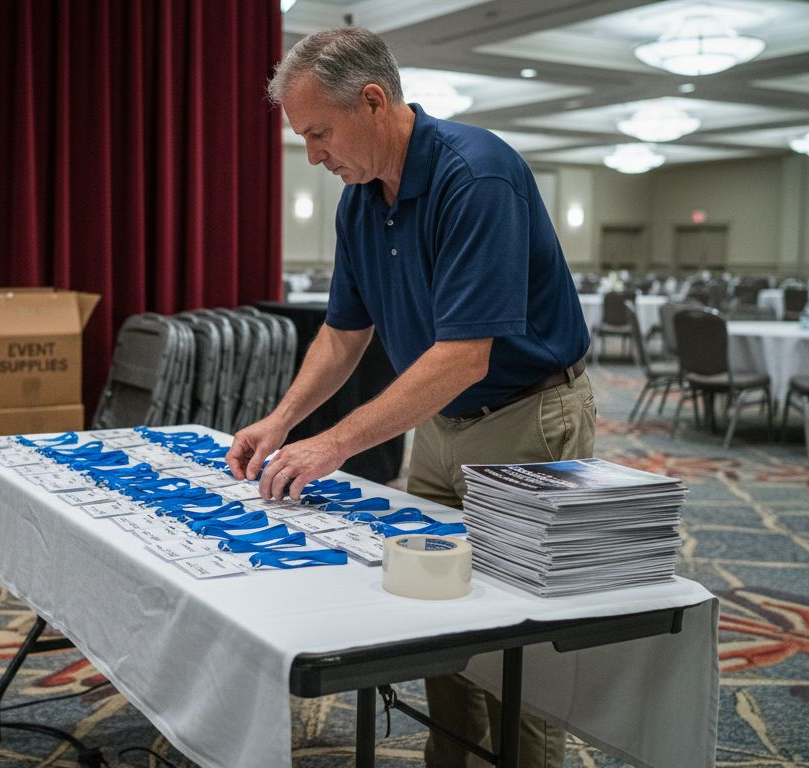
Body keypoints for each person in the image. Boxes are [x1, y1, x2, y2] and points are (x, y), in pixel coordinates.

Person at [226, 26, 594, 768]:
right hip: (443, 426)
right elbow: (342, 336)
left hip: (529, 417)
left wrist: (334, 445)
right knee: (437, 611)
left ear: (373, 101)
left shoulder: (475, 175)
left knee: (522, 632)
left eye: (319, 132)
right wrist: (283, 419)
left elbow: (464, 357)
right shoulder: (360, 200)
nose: (313, 155)